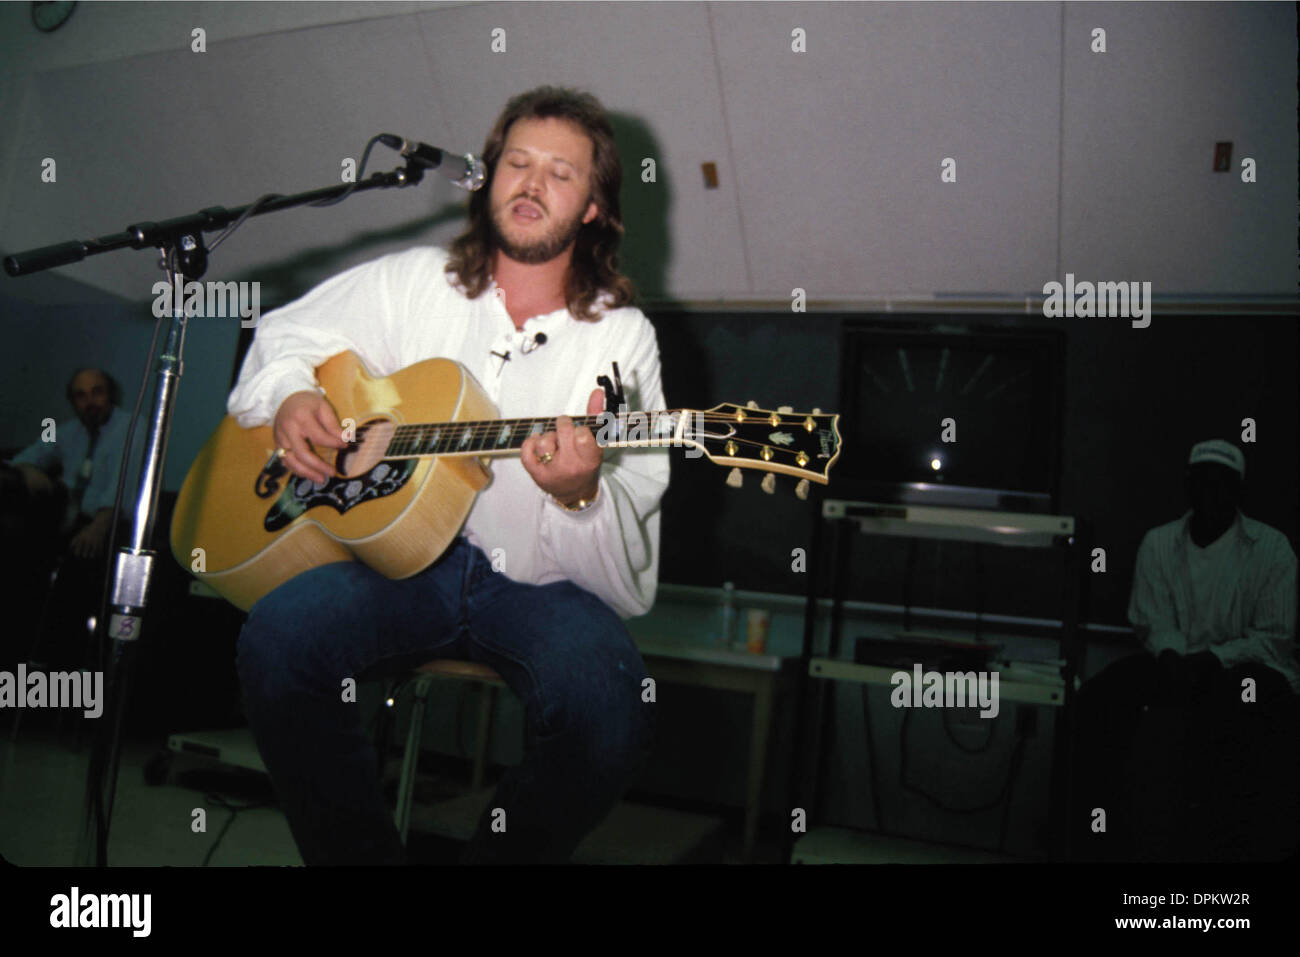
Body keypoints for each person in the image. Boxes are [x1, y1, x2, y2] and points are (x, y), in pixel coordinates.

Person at [228, 86, 669, 864]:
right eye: (517, 162)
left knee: (610, 704)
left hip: (538, 586)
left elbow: (624, 566)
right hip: (400, 567)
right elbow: (286, 332)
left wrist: (578, 493)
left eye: (561, 174)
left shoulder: (623, 338)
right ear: (489, 176)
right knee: (277, 641)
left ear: (595, 208)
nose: (531, 184)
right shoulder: (415, 280)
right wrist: (293, 391)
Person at [1073, 439, 1298, 861]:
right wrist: (1173, 655)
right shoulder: (1159, 543)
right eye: (1202, 482)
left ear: (1239, 492)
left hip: (1244, 670)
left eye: (1223, 484)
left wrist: (1215, 659)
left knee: (1251, 707)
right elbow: (1150, 618)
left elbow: (1274, 636)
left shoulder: (1272, 549)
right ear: (1187, 488)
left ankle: (1231, 846)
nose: (1212, 493)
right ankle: (1096, 839)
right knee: (1098, 699)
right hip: (1173, 664)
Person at [2, 368, 142, 670]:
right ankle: (24, 657)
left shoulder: (132, 427)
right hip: (68, 522)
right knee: (20, 560)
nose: (90, 401)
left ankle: (67, 663)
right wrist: (29, 469)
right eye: (81, 395)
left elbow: (123, 486)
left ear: (110, 395)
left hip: (114, 525)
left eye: (97, 392)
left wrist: (97, 528)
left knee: (78, 569)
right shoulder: (66, 431)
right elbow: (26, 457)